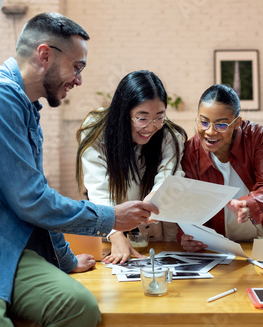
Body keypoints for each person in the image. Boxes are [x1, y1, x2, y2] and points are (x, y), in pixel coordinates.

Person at [0, 13, 159, 327]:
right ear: (44, 56)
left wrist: (66, 260)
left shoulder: (27, 106)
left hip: (7, 248)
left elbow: (36, 195)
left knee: (79, 308)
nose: (79, 79)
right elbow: (31, 200)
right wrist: (111, 218)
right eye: (77, 66)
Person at [76, 70, 187, 264]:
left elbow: (168, 178)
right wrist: (116, 233)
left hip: (154, 235)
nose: (151, 127)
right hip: (111, 235)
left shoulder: (170, 136)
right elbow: (98, 188)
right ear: (123, 113)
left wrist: (156, 198)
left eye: (159, 117)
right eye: (142, 118)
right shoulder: (97, 130)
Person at [180, 84, 263, 252]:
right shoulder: (191, 151)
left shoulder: (256, 136)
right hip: (218, 245)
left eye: (221, 125)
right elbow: (188, 204)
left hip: (262, 238)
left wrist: (248, 204)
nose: (210, 131)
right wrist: (185, 236)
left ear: (237, 122)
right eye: (203, 122)